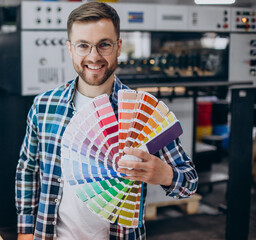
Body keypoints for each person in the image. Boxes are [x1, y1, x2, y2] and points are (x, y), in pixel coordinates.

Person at [15, 2, 198, 240]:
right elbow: (27, 169)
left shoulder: (143, 113)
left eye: (104, 45)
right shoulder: (44, 106)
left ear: (119, 46)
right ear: (70, 49)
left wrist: (164, 174)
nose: (94, 56)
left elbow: (189, 182)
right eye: (83, 45)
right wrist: (26, 230)